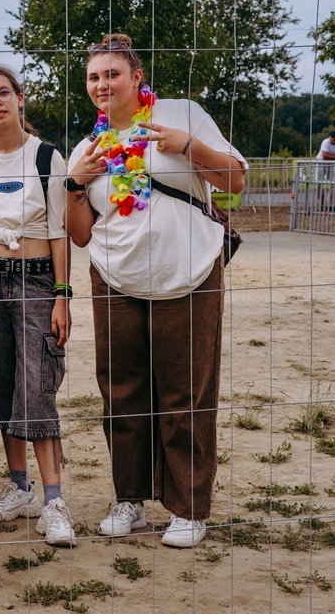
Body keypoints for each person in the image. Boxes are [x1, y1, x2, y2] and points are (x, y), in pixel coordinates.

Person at [66, 34, 246, 547]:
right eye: (94, 77)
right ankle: (129, 499)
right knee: (120, 392)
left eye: (112, 74)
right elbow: (79, 231)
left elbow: (234, 181)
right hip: (115, 277)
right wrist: (75, 184)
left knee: (186, 392)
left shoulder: (182, 114)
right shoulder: (90, 145)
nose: (102, 84)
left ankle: (188, 508)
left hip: (188, 272)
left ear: (136, 77)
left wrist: (187, 146)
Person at [0, 64, 75, 547]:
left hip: (37, 280)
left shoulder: (46, 156)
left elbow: (60, 232)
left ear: (20, 99)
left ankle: (53, 501)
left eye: (4, 92)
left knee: (37, 383)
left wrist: (62, 297)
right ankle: (18, 486)